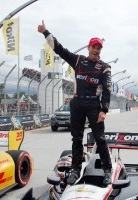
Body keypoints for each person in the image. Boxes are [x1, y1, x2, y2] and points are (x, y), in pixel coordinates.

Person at [38, 20, 113, 186]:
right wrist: (45, 32)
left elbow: (107, 90)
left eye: (99, 47)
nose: (96, 49)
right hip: (77, 104)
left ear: (101, 49)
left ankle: (108, 170)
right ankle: (76, 169)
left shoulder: (105, 67)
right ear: (88, 47)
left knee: (100, 138)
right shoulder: (78, 61)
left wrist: (104, 110)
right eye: (94, 46)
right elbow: (59, 49)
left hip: (94, 106)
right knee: (76, 138)